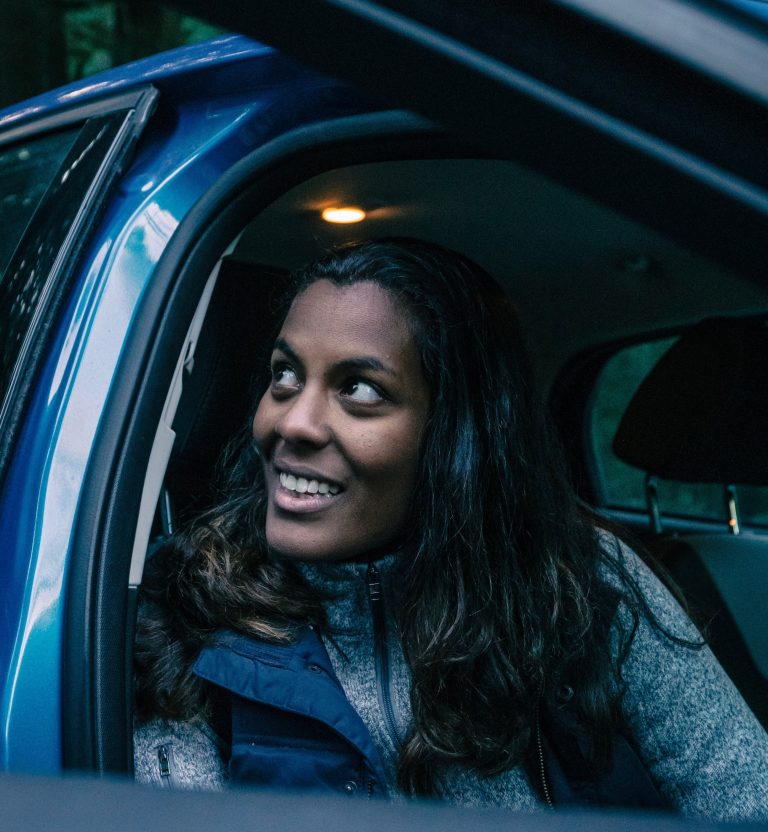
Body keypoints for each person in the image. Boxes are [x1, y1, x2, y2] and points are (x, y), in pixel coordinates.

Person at [133, 239, 768, 819]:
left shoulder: (583, 578)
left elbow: (745, 797)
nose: (293, 423)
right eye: (285, 374)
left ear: (455, 435)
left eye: (358, 387)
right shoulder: (187, 611)